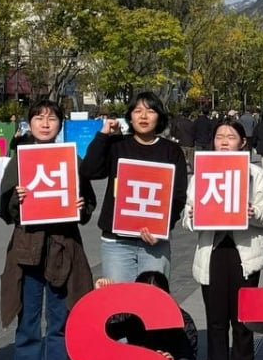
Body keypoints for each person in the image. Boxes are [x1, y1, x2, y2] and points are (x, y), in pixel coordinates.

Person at [0, 99, 96, 360]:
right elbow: (5, 208)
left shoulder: (71, 159)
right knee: (28, 318)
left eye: (51, 118)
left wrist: (82, 207)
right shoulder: (19, 159)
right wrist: (17, 199)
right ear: (29, 123)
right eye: (39, 118)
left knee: (58, 318)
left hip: (62, 247)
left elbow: (87, 202)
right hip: (27, 249)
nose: (45, 123)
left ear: (60, 124)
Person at [182, 116, 263, 360]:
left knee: (243, 319)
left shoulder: (255, 174)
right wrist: (192, 217)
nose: (224, 141)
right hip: (212, 253)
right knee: (215, 320)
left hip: (244, 253)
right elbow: (187, 216)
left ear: (243, 142)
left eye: (231, 137)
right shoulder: (201, 175)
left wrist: (253, 213)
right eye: (219, 137)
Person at [81, 91, 188, 282]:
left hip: (154, 241)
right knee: (119, 304)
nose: (144, 116)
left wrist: (163, 226)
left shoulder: (172, 151)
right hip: (117, 242)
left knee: (151, 302)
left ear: (160, 116)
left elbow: (178, 195)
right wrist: (103, 135)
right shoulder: (117, 145)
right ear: (129, 116)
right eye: (138, 111)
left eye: (150, 111)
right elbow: (89, 170)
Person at [91, 271, 199, 360]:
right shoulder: (130, 315)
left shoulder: (182, 320)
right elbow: (100, 334)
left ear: (167, 296)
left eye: (156, 297)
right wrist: (102, 299)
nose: (151, 304)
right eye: (145, 298)